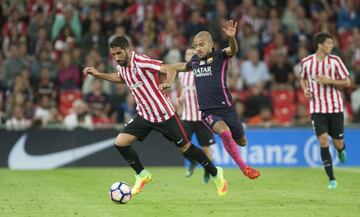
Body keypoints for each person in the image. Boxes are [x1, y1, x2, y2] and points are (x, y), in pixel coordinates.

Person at [83, 36, 227, 196]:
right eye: (113, 55)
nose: (116, 57)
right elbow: (121, 78)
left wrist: (169, 82)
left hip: (164, 114)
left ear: (127, 50)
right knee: (120, 143)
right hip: (144, 115)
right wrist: (99, 75)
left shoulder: (142, 62)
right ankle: (142, 175)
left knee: (186, 149)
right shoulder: (122, 66)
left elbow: (170, 69)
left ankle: (216, 173)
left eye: (119, 53)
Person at [171, 20, 260, 179]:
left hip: (227, 108)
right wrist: (164, 67)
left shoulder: (219, 55)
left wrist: (232, 38)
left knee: (242, 142)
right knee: (224, 133)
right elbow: (182, 66)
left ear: (211, 45)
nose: (198, 48)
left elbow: (233, 49)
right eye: (196, 45)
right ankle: (244, 168)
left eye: (201, 45)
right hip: (207, 112)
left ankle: (233, 146)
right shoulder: (195, 61)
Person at [299, 32, 350, 189]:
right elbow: (303, 78)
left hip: (334, 107)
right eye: (329, 43)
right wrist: (305, 90)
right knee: (322, 140)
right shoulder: (307, 62)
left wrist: (330, 81)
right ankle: (331, 179)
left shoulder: (335, 61)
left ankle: (341, 150)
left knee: (337, 142)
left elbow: (347, 82)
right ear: (320, 45)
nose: (332, 46)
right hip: (317, 108)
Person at [177, 47, 217, 184]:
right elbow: (184, 89)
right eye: (187, 53)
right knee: (181, 144)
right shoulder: (182, 73)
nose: (189, 55)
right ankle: (192, 161)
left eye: (191, 53)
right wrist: (181, 98)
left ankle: (207, 171)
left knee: (205, 148)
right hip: (187, 116)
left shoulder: (201, 70)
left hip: (201, 117)